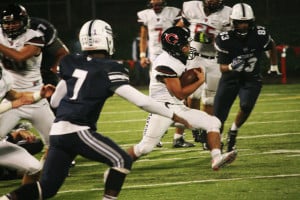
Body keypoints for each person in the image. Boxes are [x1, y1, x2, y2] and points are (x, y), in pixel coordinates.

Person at [0, 19, 191, 200]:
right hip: (77, 130)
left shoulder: (71, 63)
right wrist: (173, 114)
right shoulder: (109, 68)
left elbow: (56, 101)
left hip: (58, 132)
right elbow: (142, 102)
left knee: (47, 188)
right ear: (107, 39)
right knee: (122, 160)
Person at [127, 26, 237, 171]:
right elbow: (179, 93)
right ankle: (118, 160)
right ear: (175, 47)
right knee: (145, 148)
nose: (188, 47)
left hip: (178, 108)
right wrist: (199, 81)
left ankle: (216, 158)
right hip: (162, 110)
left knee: (213, 122)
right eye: (185, 44)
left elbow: (179, 96)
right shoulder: (164, 63)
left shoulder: (178, 56)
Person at [213, 3, 278, 152]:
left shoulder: (260, 34)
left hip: (251, 78)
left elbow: (271, 45)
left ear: (251, 22)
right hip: (230, 78)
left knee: (246, 105)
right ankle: (218, 142)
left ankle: (234, 131)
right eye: (239, 22)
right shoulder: (224, 39)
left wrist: (274, 66)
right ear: (232, 22)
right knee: (218, 117)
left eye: (246, 23)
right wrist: (231, 66)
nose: (243, 26)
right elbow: (222, 68)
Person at [0, 3, 55, 165]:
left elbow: (19, 57)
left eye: (15, 22)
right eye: (7, 23)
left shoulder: (35, 36)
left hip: (35, 98)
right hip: (10, 97)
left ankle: (45, 169)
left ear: (24, 21)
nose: (10, 26)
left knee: (56, 141)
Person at [176, 0, 232, 150]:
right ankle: (196, 127)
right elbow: (179, 28)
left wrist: (216, 40)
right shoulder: (191, 7)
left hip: (215, 59)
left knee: (210, 100)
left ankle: (207, 135)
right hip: (195, 56)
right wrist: (179, 41)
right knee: (192, 95)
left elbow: (232, 38)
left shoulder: (229, 13)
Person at [138, 0, 194, 148]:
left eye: (159, 4)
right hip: (158, 59)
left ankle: (178, 137)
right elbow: (143, 36)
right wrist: (143, 54)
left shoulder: (173, 13)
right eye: (153, 4)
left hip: (175, 57)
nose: (156, 7)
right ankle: (155, 134)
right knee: (158, 99)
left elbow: (182, 32)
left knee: (181, 97)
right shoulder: (146, 15)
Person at [0, 64, 55, 184]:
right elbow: (15, 102)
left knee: (34, 169)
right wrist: (11, 105)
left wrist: (39, 95)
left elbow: (17, 96)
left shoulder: (4, 76)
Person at [30, 17, 69, 86]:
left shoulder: (37, 33)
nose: (11, 26)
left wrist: (53, 72)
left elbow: (63, 53)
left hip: (42, 75)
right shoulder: (4, 37)